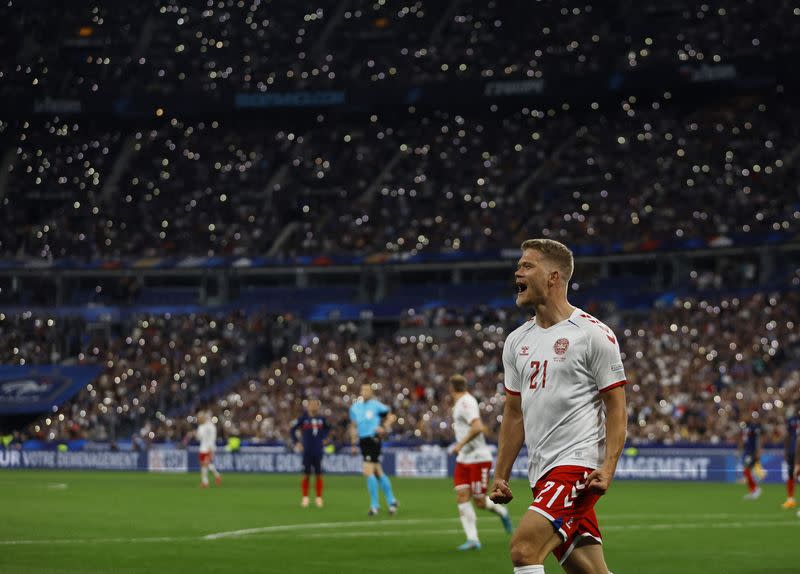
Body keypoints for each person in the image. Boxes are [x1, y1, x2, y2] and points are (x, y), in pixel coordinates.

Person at [489, 238, 627, 574]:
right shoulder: (516, 341)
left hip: (578, 468)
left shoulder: (593, 334)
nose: (517, 271)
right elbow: (514, 412)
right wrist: (501, 474)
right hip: (542, 473)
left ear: (553, 277)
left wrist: (607, 468)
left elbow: (617, 407)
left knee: (524, 549)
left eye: (527, 265)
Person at [449, 373, 513, 551]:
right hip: (464, 458)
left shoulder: (466, 402)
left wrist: (460, 444)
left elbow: (477, 427)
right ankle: (473, 539)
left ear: (450, 388)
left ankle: (502, 512)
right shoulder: (461, 402)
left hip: (478, 457)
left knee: (479, 501)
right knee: (462, 496)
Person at [349, 383, 398, 516]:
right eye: (363, 389)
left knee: (368, 471)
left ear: (371, 393)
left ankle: (374, 505)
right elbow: (353, 426)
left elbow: (391, 417)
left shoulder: (376, 405)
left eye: (367, 390)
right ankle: (391, 500)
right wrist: (353, 444)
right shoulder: (355, 408)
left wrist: (384, 427)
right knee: (378, 472)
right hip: (362, 441)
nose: (364, 392)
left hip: (373, 439)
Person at [290, 398, 331, 508]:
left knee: (319, 474)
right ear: (308, 406)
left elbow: (329, 429)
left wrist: (325, 438)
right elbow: (292, 429)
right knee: (306, 474)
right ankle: (305, 498)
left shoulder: (322, 419)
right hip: (307, 450)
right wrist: (296, 442)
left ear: (318, 407)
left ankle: (318, 498)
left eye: (315, 405)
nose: (313, 407)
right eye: (311, 405)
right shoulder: (303, 419)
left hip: (318, 450)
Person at [739, 410, 763, 500]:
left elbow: (758, 440)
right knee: (747, 471)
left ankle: (755, 489)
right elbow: (743, 440)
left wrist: (758, 451)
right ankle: (753, 491)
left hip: (751, 452)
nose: (743, 417)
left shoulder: (753, 427)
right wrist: (739, 450)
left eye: (745, 416)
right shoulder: (744, 427)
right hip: (746, 452)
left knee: (746, 470)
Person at [197, 411, 221, 488]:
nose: (198, 419)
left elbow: (211, 438)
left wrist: (210, 448)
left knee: (205, 464)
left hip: (207, 448)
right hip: (203, 448)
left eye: (200, 417)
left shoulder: (209, 427)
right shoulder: (202, 426)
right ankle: (217, 476)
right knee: (205, 464)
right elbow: (200, 438)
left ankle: (205, 482)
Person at [783, 401, 799, 509]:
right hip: (793, 451)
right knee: (791, 474)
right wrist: (786, 450)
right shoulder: (791, 420)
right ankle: (790, 499)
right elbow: (788, 435)